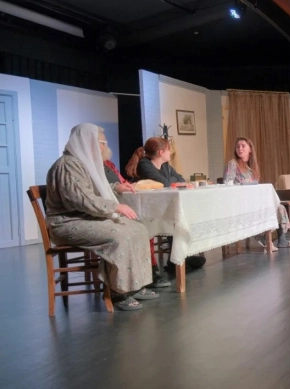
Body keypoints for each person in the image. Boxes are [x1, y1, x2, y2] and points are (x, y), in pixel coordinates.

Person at [45, 123, 158, 311]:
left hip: (87, 218)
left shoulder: (84, 163)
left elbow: (94, 189)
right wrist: (115, 206)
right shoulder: (67, 165)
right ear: (87, 142)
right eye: (102, 142)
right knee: (119, 236)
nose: (105, 147)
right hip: (68, 222)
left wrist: (116, 188)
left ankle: (134, 285)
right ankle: (118, 291)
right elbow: (81, 199)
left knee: (139, 228)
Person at [125, 137, 206, 271]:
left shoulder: (165, 166)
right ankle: (176, 260)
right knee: (172, 218)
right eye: (168, 150)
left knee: (177, 216)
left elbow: (180, 179)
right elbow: (166, 183)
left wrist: (171, 181)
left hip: (160, 206)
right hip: (145, 210)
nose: (170, 152)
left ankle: (179, 256)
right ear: (161, 152)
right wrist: (172, 181)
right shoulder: (145, 165)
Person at [103, 153, 169, 289]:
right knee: (140, 224)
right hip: (107, 209)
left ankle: (147, 272)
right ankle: (134, 279)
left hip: (119, 204)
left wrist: (123, 186)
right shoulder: (88, 165)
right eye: (102, 143)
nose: (105, 146)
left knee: (145, 223)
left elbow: (122, 182)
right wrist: (116, 189)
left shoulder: (108, 163)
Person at [224, 137, 290, 251]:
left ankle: (282, 240)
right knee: (261, 211)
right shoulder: (233, 164)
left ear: (250, 149)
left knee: (279, 207)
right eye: (238, 146)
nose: (240, 148)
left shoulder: (252, 167)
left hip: (254, 200)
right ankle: (267, 241)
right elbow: (227, 184)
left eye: (243, 146)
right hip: (241, 202)